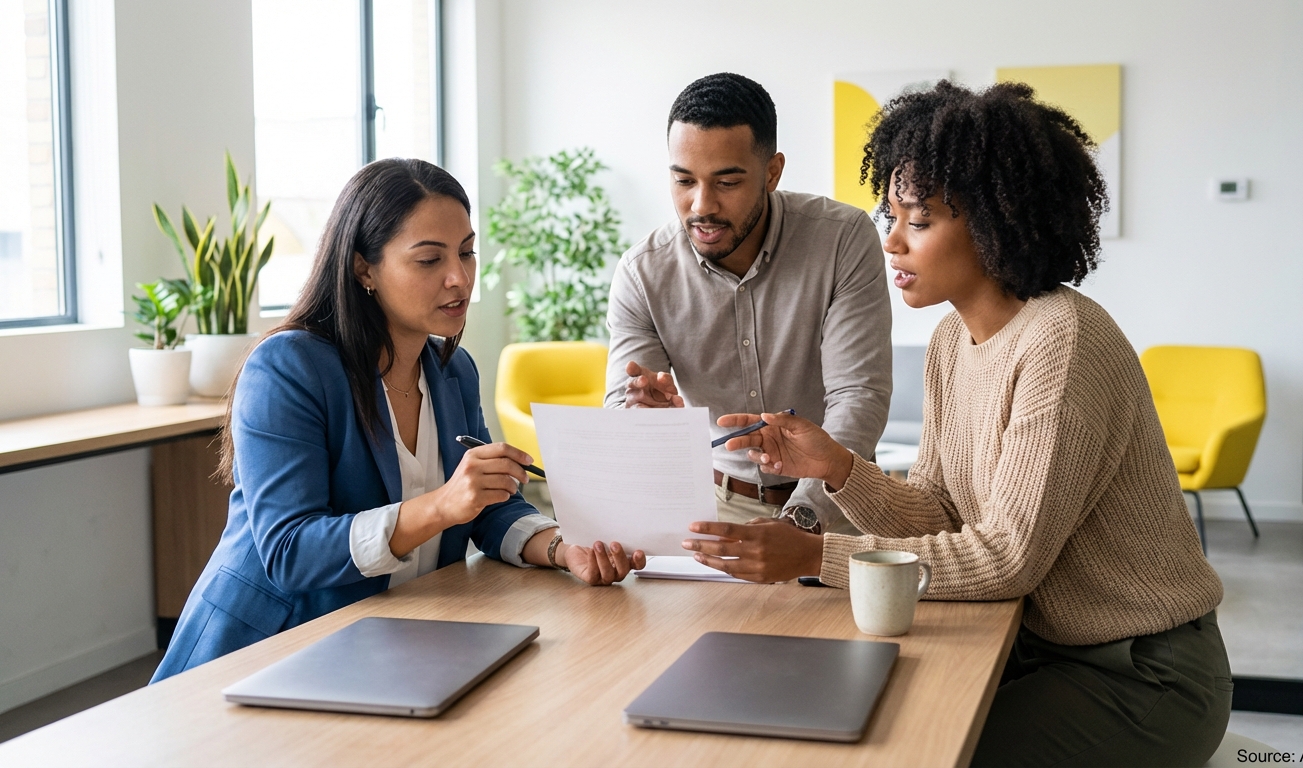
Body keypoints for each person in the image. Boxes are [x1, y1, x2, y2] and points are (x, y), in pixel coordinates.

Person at [685, 81, 1232, 765]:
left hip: (1141, 674)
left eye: (917, 221)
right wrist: (837, 468)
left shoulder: (1063, 342)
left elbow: (1006, 557)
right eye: (891, 216)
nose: (890, 244)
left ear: (997, 221)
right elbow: (941, 508)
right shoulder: (952, 341)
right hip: (1039, 648)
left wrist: (818, 557)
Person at [153, 159, 644, 683]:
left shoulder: (454, 370)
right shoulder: (288, 367)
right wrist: (438, 507)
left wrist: (561, 549)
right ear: (364, 269)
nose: (459, 278)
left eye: (467, 252)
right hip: (268, 653)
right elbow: (290, 551)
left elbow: (484, 509)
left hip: (392, 643)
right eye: (429, 259)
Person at [605, 72, 892, 535]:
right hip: (716, 507)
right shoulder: (643, 272)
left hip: (839, 507)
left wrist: (804, 518)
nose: (702, 205)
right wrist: (641, 420)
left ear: (772, 173)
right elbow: (624, 404)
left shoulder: (842, 239)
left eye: (727, 182)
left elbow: (858, 396)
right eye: (683, 180)